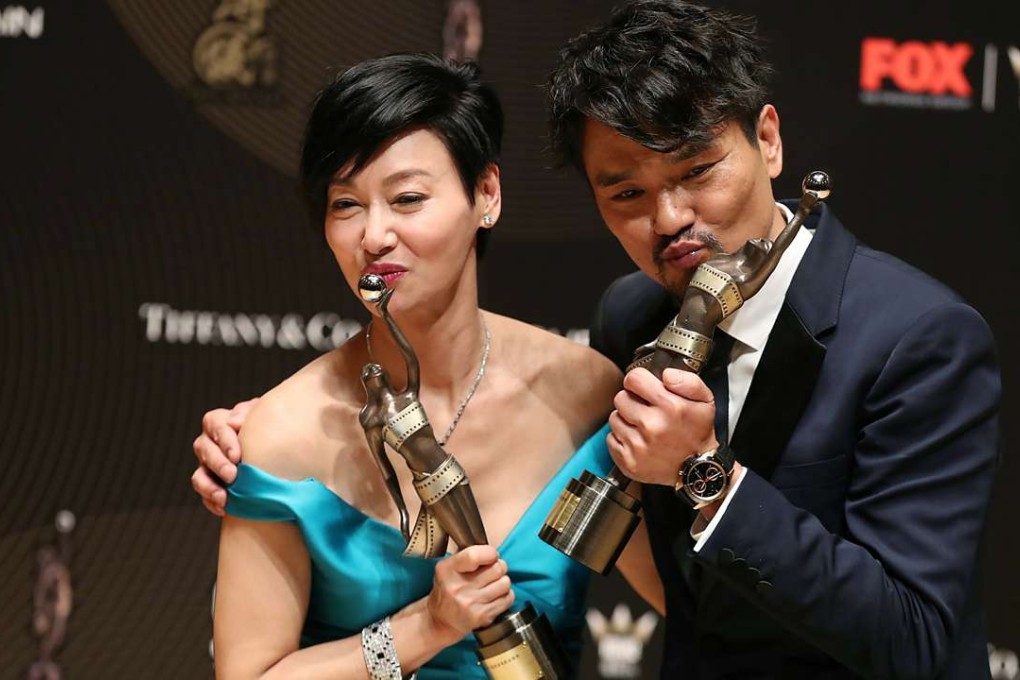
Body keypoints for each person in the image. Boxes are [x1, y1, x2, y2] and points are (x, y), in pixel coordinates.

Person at [196, 2, 1001, 678]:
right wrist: (412, 625)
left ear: (768, 140)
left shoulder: (918, 337)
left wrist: (704, 474)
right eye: (628, 192)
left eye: (696, 171)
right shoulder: (634, 322)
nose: (670, 217)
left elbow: (917, 637)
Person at [204, 53, 662, 679]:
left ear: (487, 195)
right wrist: (426, 627)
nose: (375, 235)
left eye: (408, 198)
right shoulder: (285, 431)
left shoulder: (583, 394)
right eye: (345, 205)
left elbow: (682, 604)